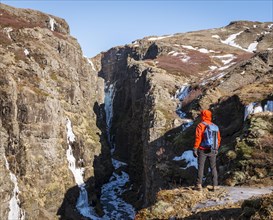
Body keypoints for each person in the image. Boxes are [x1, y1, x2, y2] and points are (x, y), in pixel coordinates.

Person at [193, 109, 221, 191]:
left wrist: (195, 148)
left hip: (203, 149)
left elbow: (198, 138)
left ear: (203, 116)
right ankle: (215, 185)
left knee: (201, 167)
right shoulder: (215, 126)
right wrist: (216, 147)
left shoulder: (200, 125)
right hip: (213, 149)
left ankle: (199, 185)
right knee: (213, 167)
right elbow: (218, 139)